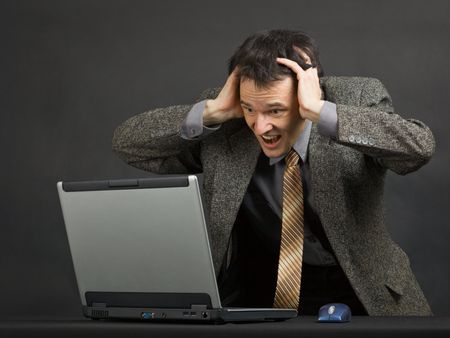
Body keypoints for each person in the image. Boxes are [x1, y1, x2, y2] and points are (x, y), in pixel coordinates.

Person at [112, 29, 435, 316]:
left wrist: (321, 112)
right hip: (261, 297)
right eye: (250, 108)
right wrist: (214, 111)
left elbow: (418, 149)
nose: (260, 126)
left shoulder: (354, 98)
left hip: (364, 291)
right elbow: (129, 145)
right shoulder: (228, 123)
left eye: (276, 110)